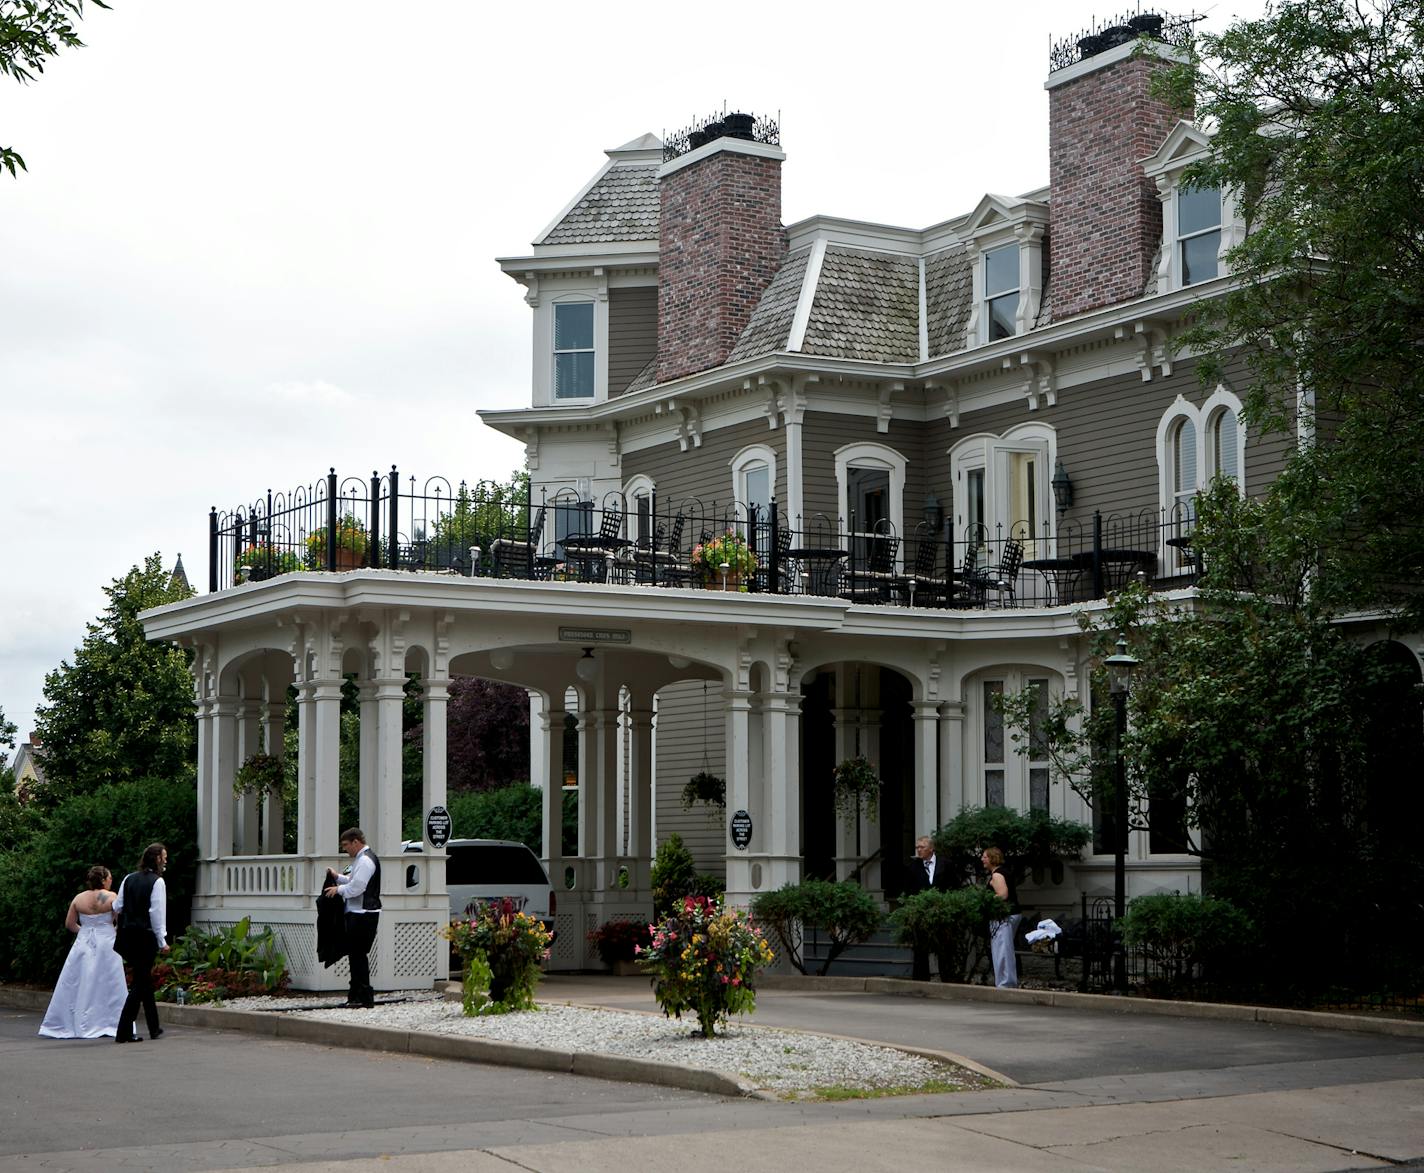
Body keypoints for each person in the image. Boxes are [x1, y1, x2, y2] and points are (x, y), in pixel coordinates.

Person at [38, 865, 128, 1039]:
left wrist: (86, 932)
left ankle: (75, 1021)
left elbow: (69, 924)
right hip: (107, 943)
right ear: (103, 880)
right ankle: (108, 1021)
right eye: (109, 877)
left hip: (83, 943)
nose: (111, 880)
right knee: (107, 982)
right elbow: (120, 921)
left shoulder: (78, 898)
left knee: (79, 981)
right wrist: (110, 932)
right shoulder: (111, 896)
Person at [113, 842, 170, 1043]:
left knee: (143, 980)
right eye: (163, 857)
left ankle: (154, 1028)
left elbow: (117, 906)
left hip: (127, 935)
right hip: (145, 937)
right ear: (156, 859)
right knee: (139, 984)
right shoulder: (157, 882)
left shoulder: (128, 878)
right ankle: (123, 1031)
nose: (165, 860)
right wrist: (162, 940)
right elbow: (156, 913)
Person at [323, 827, 381, 1008]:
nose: (345, 849)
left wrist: (337, 890)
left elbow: (357, 888)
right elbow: (353, 882)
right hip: (361, 913)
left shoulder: (364, 861)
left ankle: (363, 996)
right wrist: (338, 878)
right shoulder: (362, 859)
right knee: (356, 955)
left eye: (346, 845)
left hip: (363, 914)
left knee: (358, 955)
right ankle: (357, 995)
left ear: (356, 842)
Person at [904, 835, 953, 981]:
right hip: (921, 912)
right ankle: (921, 978)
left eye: (922, 847)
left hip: (943, 911)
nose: (919, 850)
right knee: (921, 947)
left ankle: (948, 977)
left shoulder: (946, 864)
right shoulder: (912, 867)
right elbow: (908, 890)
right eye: (917, 847)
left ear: (931, 848)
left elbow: (953, 885)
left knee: (944, 946)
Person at [982, 846, 1021, 989]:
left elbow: (1003, 895)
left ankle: (1005, 984)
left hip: (1003, 917)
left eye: (985, 857)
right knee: (1004, 949)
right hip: (1010, 915)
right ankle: (1006, 982)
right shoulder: (1003, 872)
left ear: (992, 858)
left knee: (1002, 950)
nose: (982, 859)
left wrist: (986, 900)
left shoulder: (997, 875)